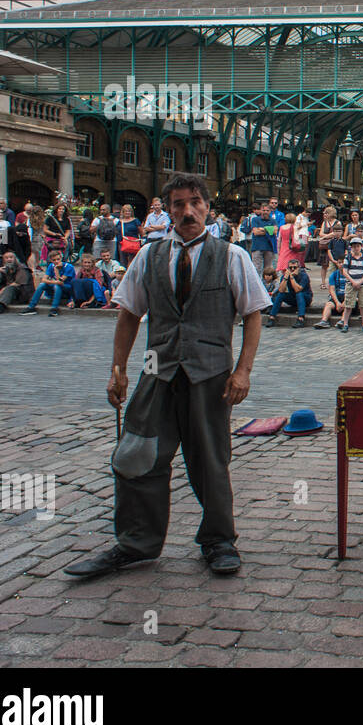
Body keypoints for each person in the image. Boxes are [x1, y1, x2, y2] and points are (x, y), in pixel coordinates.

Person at [64, 173, 269, 580]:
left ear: (208, 207)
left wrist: (243, 371)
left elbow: (252, 315)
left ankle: (218, 540)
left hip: (209, 372)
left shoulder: (232, 256)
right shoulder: (149, 255)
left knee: (210, 459)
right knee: (136, 453)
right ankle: (135, 543)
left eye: (194, 202)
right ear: (167, 210)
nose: (187, 210)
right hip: (156, 370)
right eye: (178, 204)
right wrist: (118, 371)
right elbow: (128, 314)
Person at [21, 249, 76, 316]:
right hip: (56, 286)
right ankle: (31, 306)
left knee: (57, 286)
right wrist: (54, 281)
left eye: (58, 259)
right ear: (51, 260)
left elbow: (61, 281)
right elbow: (44, 279)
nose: (56, 261)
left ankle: (54, 308)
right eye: (54, 260)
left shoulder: (68, 267)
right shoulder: (51, 266)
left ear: (61, 258)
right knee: (42, 285)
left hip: (68, 288)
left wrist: (56, 271)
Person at [339, 237, 363, 332]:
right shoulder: (348, 257)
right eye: (354, 246)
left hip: (362, 283)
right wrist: (353, 282)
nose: (356, 248)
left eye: (358, 246)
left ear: (361, 247)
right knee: (348, 304)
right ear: (351, 247)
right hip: (351, 283)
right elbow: (345, 272)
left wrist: (360, 281)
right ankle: (345, 324)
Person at [266, 260, 311, 328]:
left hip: (305, 298)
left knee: (299, 294)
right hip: (293, 297)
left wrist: (292, 277)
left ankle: (301, 318)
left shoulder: (304, 276)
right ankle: (272, 317)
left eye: (295, 267)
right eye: (290, 268)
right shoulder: (285, 276)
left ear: (298, 268)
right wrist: (285, 278)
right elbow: (281, 290)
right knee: (281, 294)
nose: (292, 269)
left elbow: (297, 290)